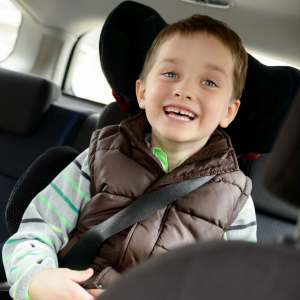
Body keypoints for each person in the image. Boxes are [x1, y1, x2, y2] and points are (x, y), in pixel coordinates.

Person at [2, 9, 256, 300]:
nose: (184, 90)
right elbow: (37, 231)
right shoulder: (99, 157)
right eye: (171, 73)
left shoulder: (236, 198)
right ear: (143, 91)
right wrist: (37, 280)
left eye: (209, 82)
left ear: (228, 111)